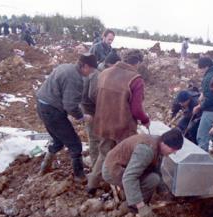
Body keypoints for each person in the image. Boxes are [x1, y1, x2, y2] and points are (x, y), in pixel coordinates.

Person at [87, 49, 150, 195]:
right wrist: (145, 120)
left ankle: (91, 186)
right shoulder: (136, 79)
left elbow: (95, 95)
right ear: (138, 62)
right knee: (124, 157)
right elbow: (136, 109)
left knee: (104, 154)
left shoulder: (105, 72)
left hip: (104, 122)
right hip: (123, 126)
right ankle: (126, 191)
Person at [36, 53, 98, 181]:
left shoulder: (65, 67)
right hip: (52, 111)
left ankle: (44, 167)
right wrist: (82, 116)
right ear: (85, 66)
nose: (91, 73)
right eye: (91, 69)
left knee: (58, 141)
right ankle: (79, 176)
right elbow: (70, 105)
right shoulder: (75, 79)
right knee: (75, 145)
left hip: (42, 105)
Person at [102, 128, 184, 217]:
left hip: (123, 167)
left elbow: (155, 169)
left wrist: (164, 192)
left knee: (154, 177)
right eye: (173, 149)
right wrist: (141, 206)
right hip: (112, 170)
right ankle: (132, 207)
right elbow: (129, 177)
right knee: (153, 180)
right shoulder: (147, 150)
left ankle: (129, 198)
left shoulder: (157, 143)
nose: (174, 153)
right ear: (164, 143)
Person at [81, 51, 121, 168]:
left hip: (90, 109)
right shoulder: (98, 74)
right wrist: (106, 106)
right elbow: (93, 94)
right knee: (95, 139)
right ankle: (95, 167)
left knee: (97, 138)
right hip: (90, 111)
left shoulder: (100, 71)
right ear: (110, 64)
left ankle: (98, 165)